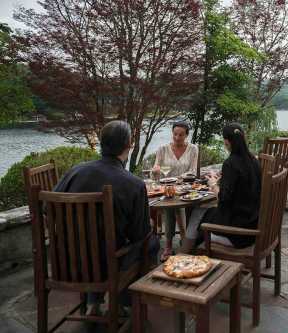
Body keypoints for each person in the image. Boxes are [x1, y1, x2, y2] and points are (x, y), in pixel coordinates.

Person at [54, 120, 159, 315]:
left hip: (66, 262)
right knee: (151, 242)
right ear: (129, 145)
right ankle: (121, 304)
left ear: (102, 143)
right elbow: (139, 235)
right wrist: (150, 224)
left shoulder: (74, 172)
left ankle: (94, 303)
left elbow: (47, 209)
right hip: (105, 268)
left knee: (96, 243)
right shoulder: (133, 184)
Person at [179, 123, 261, 253]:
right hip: (253, 223)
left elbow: (223, 199)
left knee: (197, 213)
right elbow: (242, 185)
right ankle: (192, 248)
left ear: (227, 141)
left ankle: (184, 253)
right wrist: (223, 179)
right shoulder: (254, 160)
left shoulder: (230, 163)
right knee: (207, 213)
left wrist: (213, 184)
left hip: (238, 234)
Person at [152, 121, 198, 261]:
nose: (177, 137)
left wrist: (179, 180)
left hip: (186, 188)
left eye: (181, 135)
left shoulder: (193, 149)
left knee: (183, 205)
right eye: (175, 134)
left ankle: (186, 239)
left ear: (186, 135)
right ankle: (169, 245)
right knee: (169, 205)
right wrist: (156, 171)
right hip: (167, 188)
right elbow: (156, 171)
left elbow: (193, 171)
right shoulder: (163, 149)